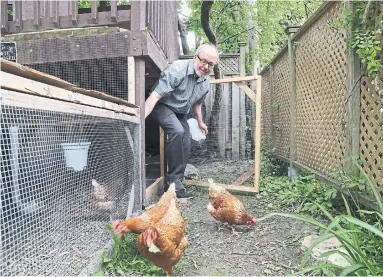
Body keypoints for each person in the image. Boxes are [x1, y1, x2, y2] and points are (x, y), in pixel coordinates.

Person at [145, 44, 219, 199]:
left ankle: (175, 182)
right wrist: (140, 119)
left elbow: (198, 103)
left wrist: (200, 121)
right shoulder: (177, 70)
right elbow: (155, 96)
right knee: (177, 131)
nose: (206, 67)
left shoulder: (205, 81)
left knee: (186, 140)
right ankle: (173, 184)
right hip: (162, 105)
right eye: (203, 61)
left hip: (180, 112)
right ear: (195, 58)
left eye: (211, 64)